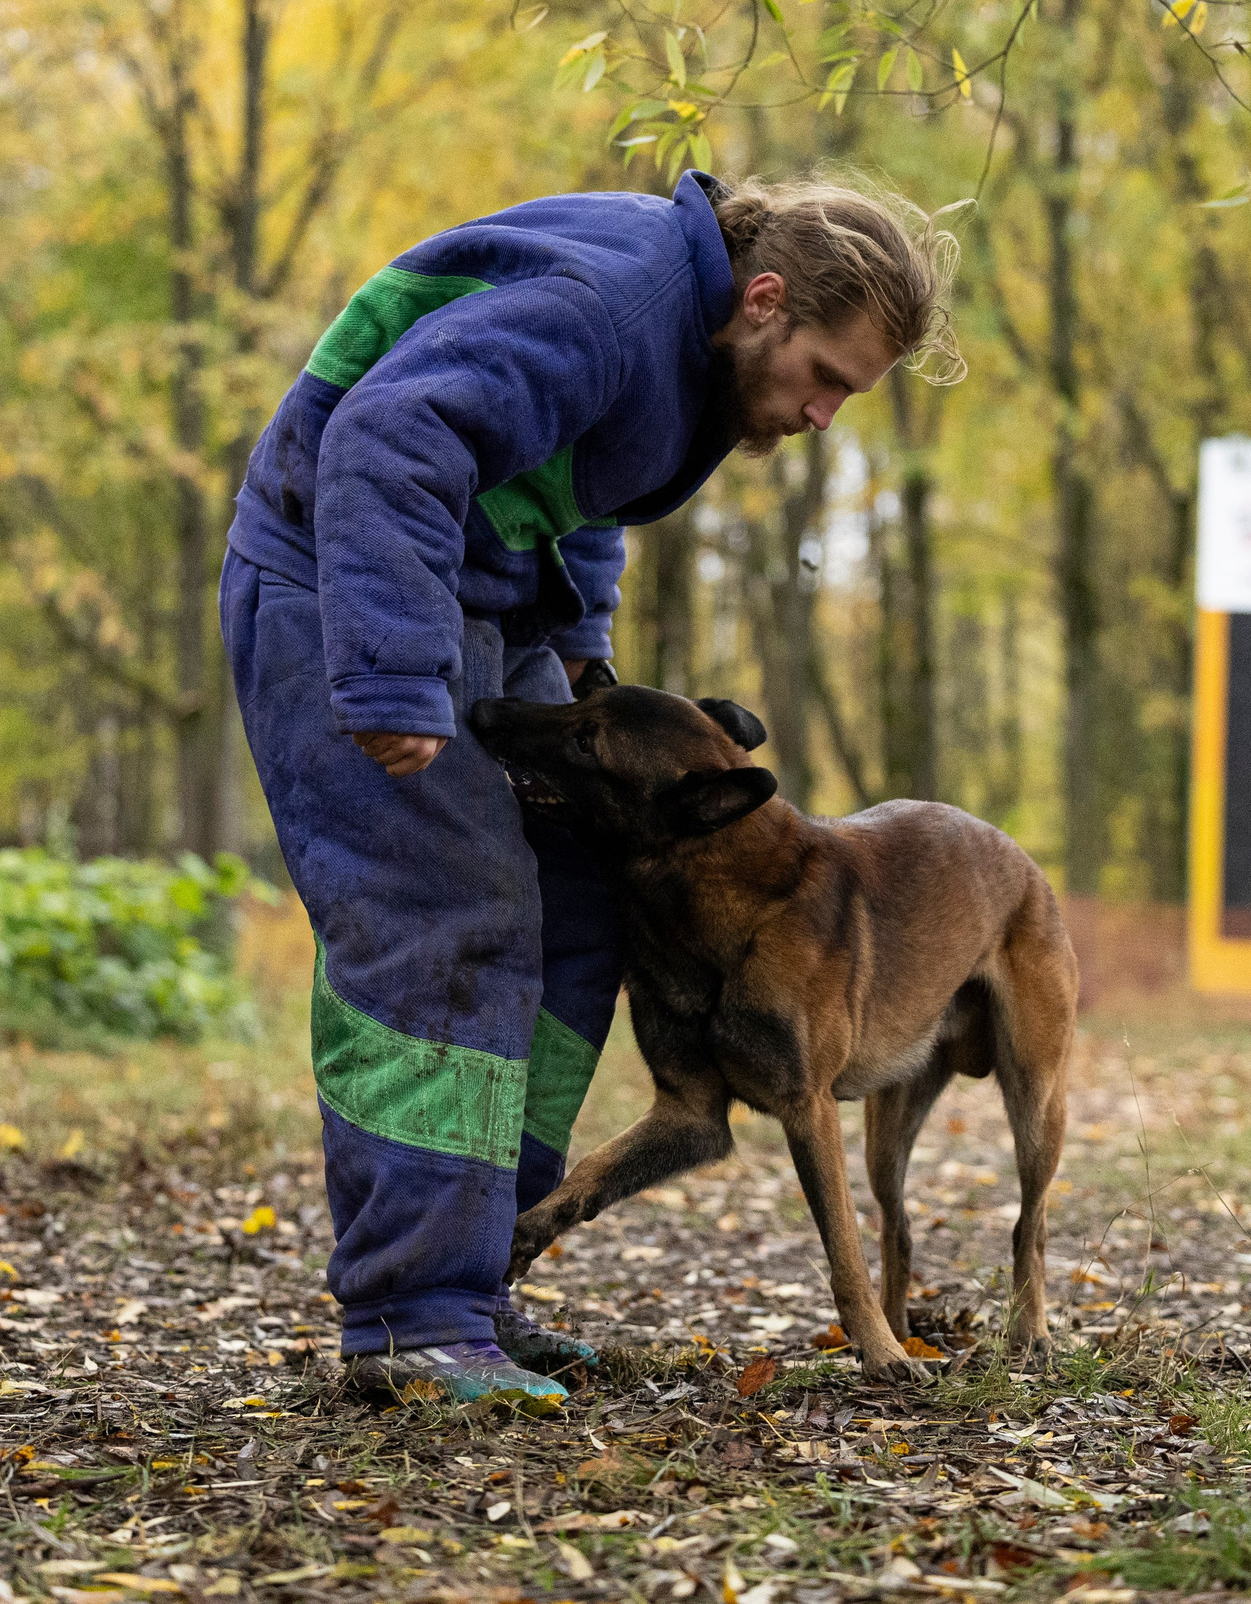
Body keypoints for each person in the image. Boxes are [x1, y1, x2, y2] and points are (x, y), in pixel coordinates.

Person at [223, 171, 959, 1407]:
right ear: (766, 301)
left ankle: (477, 1280)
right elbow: (392, 437)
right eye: (826, 376)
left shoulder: (689, 348)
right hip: (342, 581)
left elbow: (584, 478)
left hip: (488, 593)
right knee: (444, 919)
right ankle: (413, 1317)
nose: (823, 414)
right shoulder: (608, 310)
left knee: (578, 910)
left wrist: (578, 645)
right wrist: (393, 673)